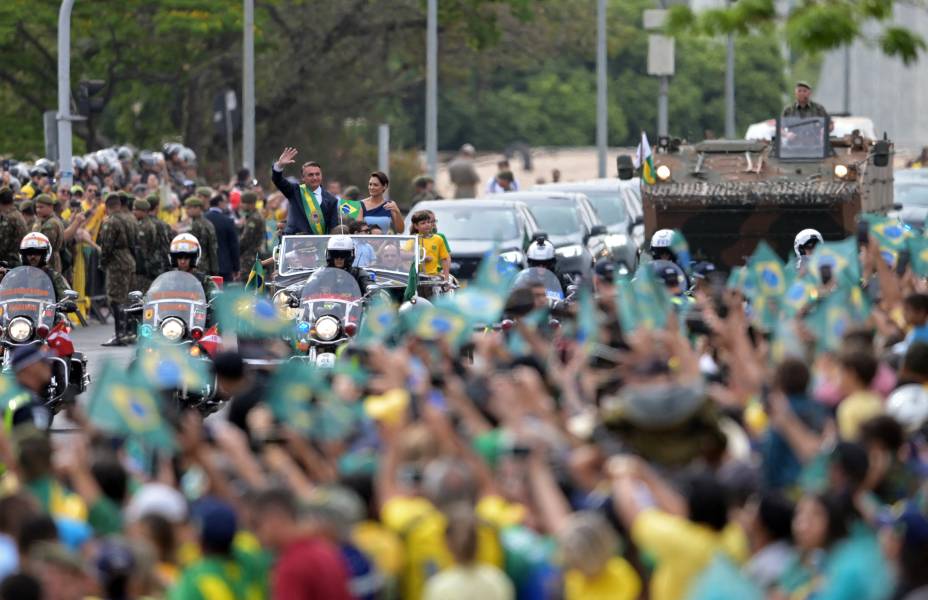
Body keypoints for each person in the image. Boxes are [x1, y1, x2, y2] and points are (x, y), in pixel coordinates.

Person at [251, 487, 352, 600]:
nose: (255, 535)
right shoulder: (325, 548)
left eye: (256, 525)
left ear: (275, 518)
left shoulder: (292, 566)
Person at [271, 147, 339, 235]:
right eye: (310, 175)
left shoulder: (331, 200)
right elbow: (278, 180)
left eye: (317, 174)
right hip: (294, 244)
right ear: (303, 178)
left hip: (318, 245)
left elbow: (333, 228)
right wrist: (279, 166)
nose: (315, 177)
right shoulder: (294, 191)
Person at [99, 194, 138, 347]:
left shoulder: (111, 221)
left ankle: (119, 334)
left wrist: (103, 263)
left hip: (116, 262)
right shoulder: (130, 218)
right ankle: (129, 332)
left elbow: (106, 246)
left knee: (116, 299)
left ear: (108, 206)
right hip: (129, 259)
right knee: (128, 298)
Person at [168, 234, 218, 300]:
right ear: (174, 259)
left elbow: (216, 300)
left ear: (193, 258)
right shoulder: (168, 281)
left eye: (187, 257)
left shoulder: (204, 281)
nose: (182, 261)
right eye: (179, 257)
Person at [205, 194, 241, 283]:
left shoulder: (203, 218)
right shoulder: (227, 221)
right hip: (224, 265)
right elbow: (233, 246)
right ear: (220, 203)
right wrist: (236, 268)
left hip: (206, 265)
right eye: (225, 202)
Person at [408, 211, 450, 280]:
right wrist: (421, 257)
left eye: (428, 222)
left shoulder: (438, 239)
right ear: (416, 226)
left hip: (433, 277)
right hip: (417, 277)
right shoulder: (413, 239)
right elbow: (402, 254)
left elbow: (445, 259)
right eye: (423, 223)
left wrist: (446, 278)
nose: (427, 225)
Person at [182, 197, 219, 276]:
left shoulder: (196, 225)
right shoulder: (206, 223)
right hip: (202, 265)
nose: (186, 211)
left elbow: (212, 247)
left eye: (189, 208)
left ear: (197, 208)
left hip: (198, 266)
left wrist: (214, 268)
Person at [131, 198, 159, 294]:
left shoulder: (146, 226)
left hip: (144, 267)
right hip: (140, 266)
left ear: (144, 211)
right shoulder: (140, 224)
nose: (133, 212)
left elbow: (145, 249)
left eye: (136, 209)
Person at [31, 195, 64, 273]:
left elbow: (42, 246)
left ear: (50, 207)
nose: (38, 210)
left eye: (41, 207)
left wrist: (36, 227)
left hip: (49, 262)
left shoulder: (50, 224)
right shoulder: (48, 220)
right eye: (37, 207)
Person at [238, 191, 267, 277]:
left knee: (247, 284)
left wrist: (236, 252)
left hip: (250, 258)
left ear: (250, 204)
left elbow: (246, 239)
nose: (241, 205)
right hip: (252, 256)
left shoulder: (253, 219)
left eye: (243, 203)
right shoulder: (252, 216)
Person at [0, 186, 27, 267]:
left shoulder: (8, 218)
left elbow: (2, 247)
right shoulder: (17, 215)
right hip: (18, 261)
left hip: (9, 263)